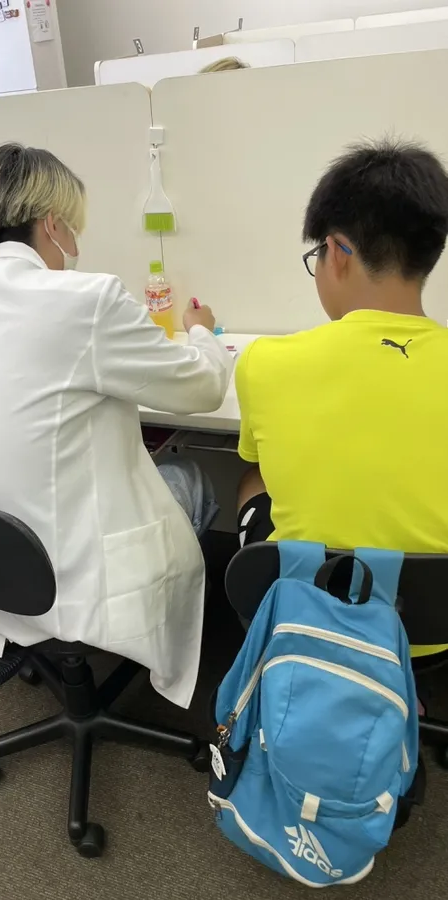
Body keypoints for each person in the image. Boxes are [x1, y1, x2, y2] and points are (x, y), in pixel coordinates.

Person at [0, 143, 232, 708]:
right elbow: (203, 388)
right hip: (70, 572)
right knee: (191, 476)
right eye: (74, 230)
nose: (77, 249)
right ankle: (185, 640)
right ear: (52, 223)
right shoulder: (87, 298)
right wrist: (202, 332)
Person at [235, 138, 448, 656]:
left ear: (335, 252)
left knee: (252, 476)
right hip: (436, 626)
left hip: (312, 613)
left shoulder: (265, 361)